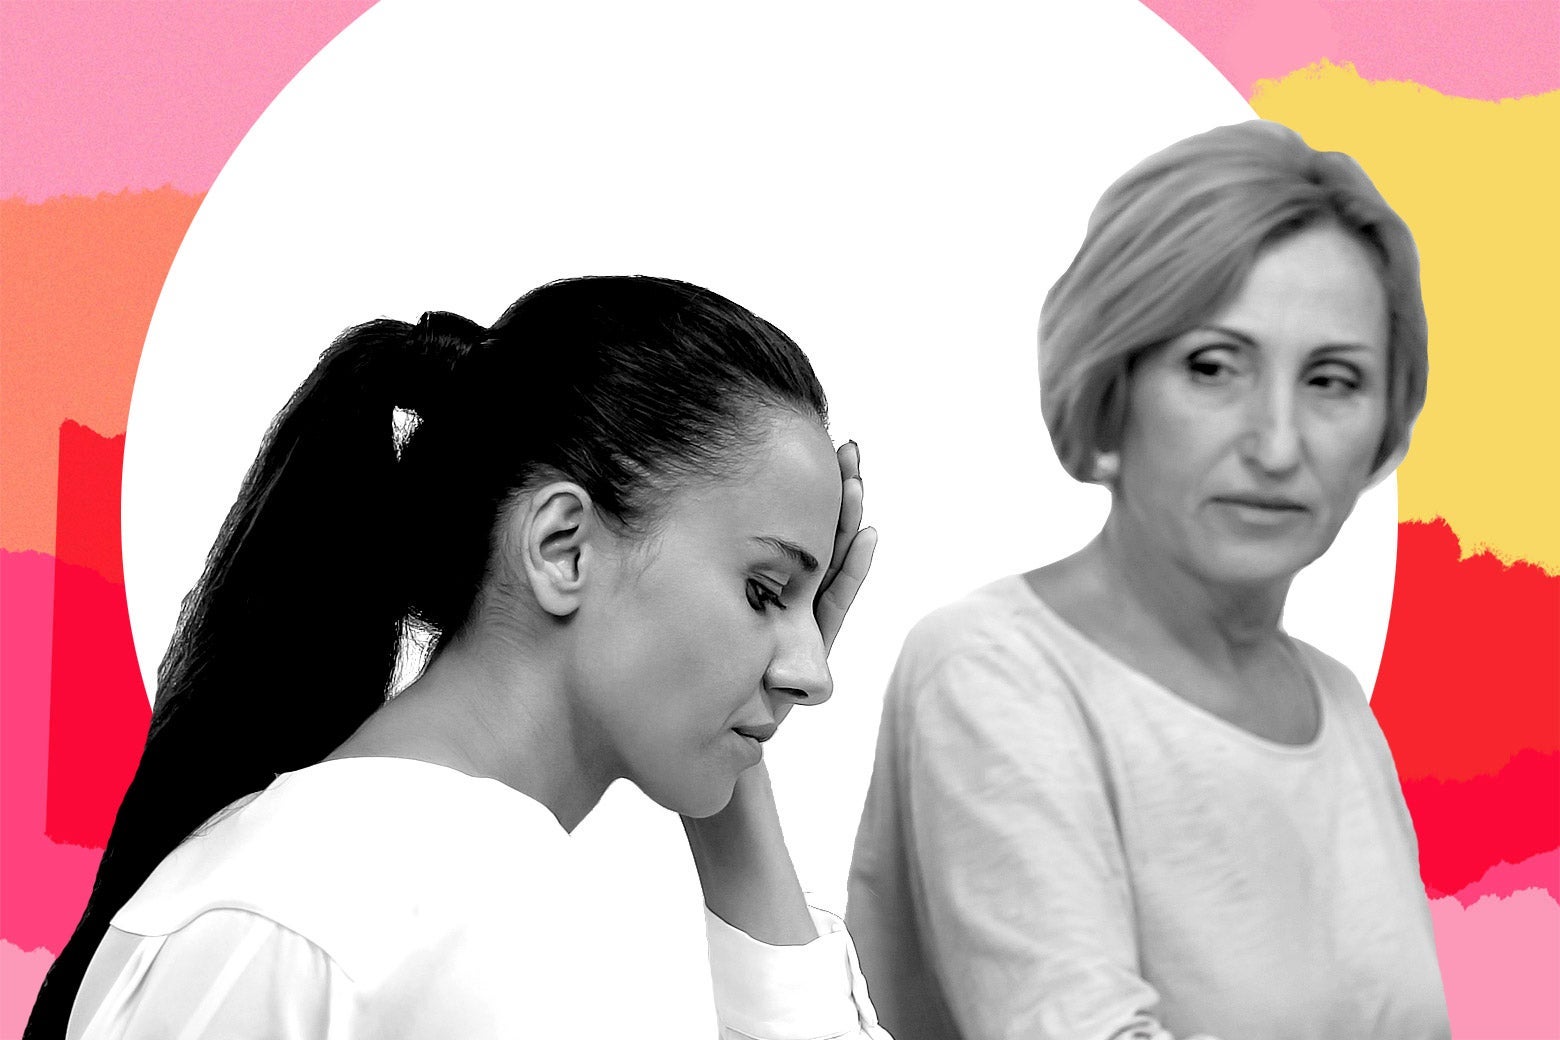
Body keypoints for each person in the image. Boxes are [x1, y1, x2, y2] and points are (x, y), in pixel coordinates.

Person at [27, 276, 890, 1038]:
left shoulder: (212, 868)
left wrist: (737, 724)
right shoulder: (515, 930)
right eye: (765, 590)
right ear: (563, 547)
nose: (814, 674)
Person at [846, 121, 1450, 1040]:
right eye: (1213, 367)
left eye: (1333, 380)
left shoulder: (1338, 708)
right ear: (1112, 388)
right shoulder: (991, 669)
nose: (1278, 446)